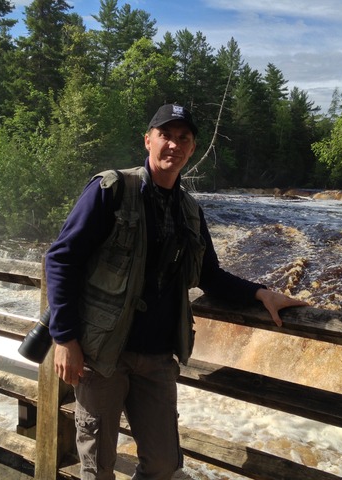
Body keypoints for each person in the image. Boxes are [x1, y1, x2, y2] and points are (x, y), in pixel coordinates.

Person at [45, 103, 306, 480]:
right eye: (166, 135)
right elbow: (61, 259)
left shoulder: (189, 210)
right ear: (148, 139)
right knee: (97, 467)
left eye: (183, 138)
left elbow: (209, 274)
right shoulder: (112, 189)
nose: (174, 145)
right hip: (101, 354)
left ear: (192, 148)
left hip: (156, 358)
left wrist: (260, 293)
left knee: (164, 464)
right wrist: (65, 338)